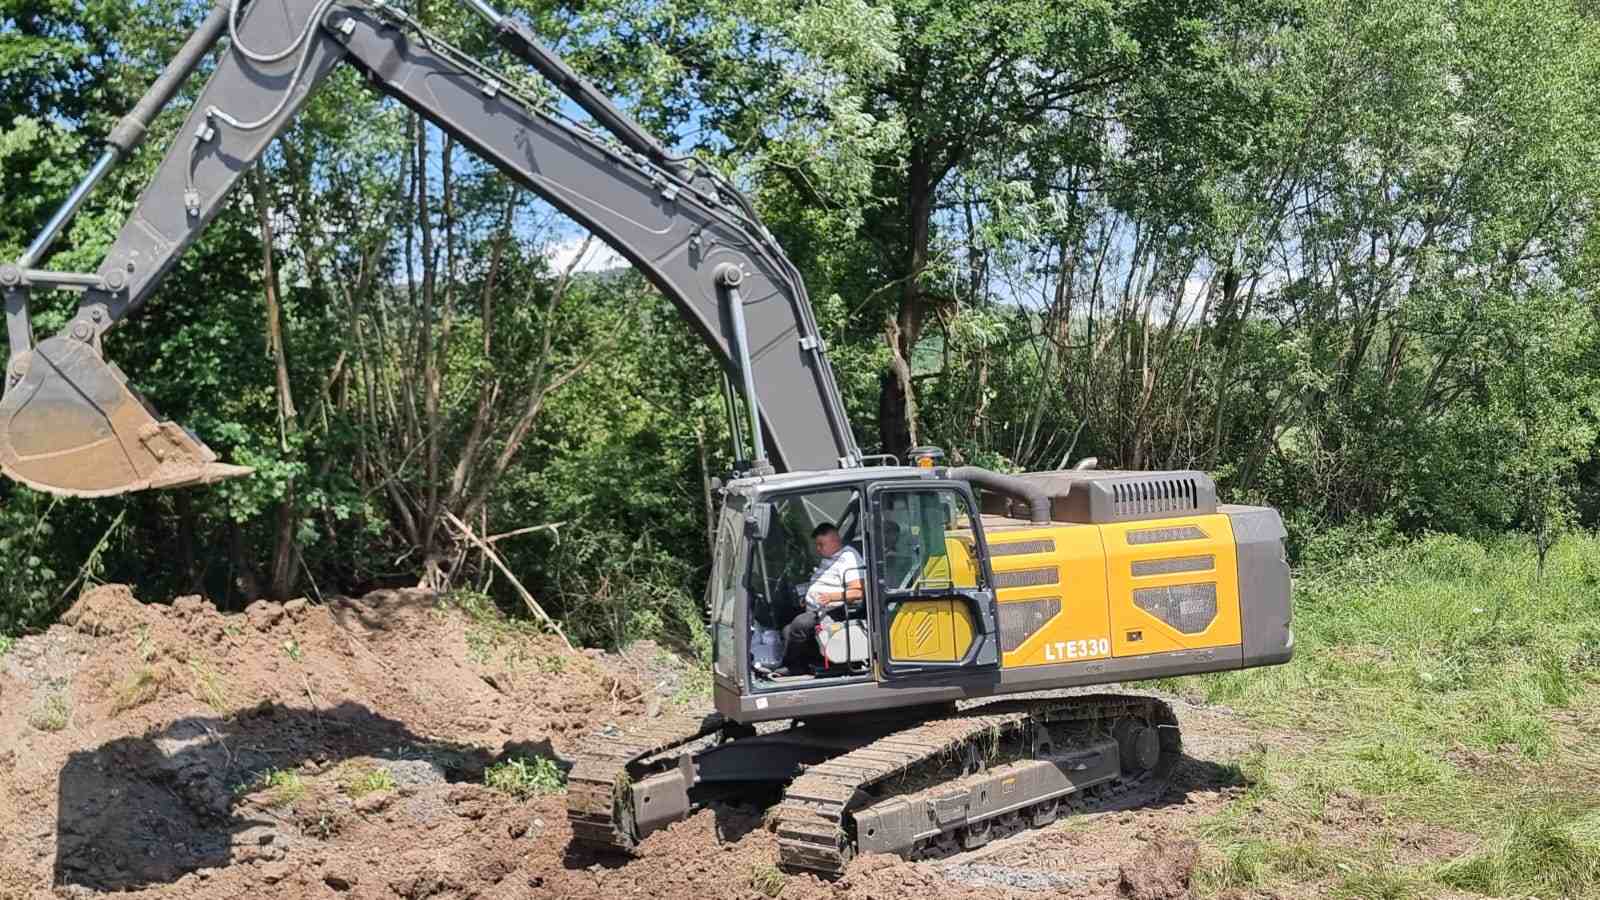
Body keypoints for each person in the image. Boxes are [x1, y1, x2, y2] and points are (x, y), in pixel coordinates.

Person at [764, 522, 864, 677]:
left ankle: (794, 667)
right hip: (816, 608)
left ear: (835, 541)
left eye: (821, 545)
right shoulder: (830, 556)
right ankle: (799, 663)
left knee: (800, 624)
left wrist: (831, 597)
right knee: (786, 624)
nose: (818, 549)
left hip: (834, 611)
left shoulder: (848, 558)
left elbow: (858, 592)